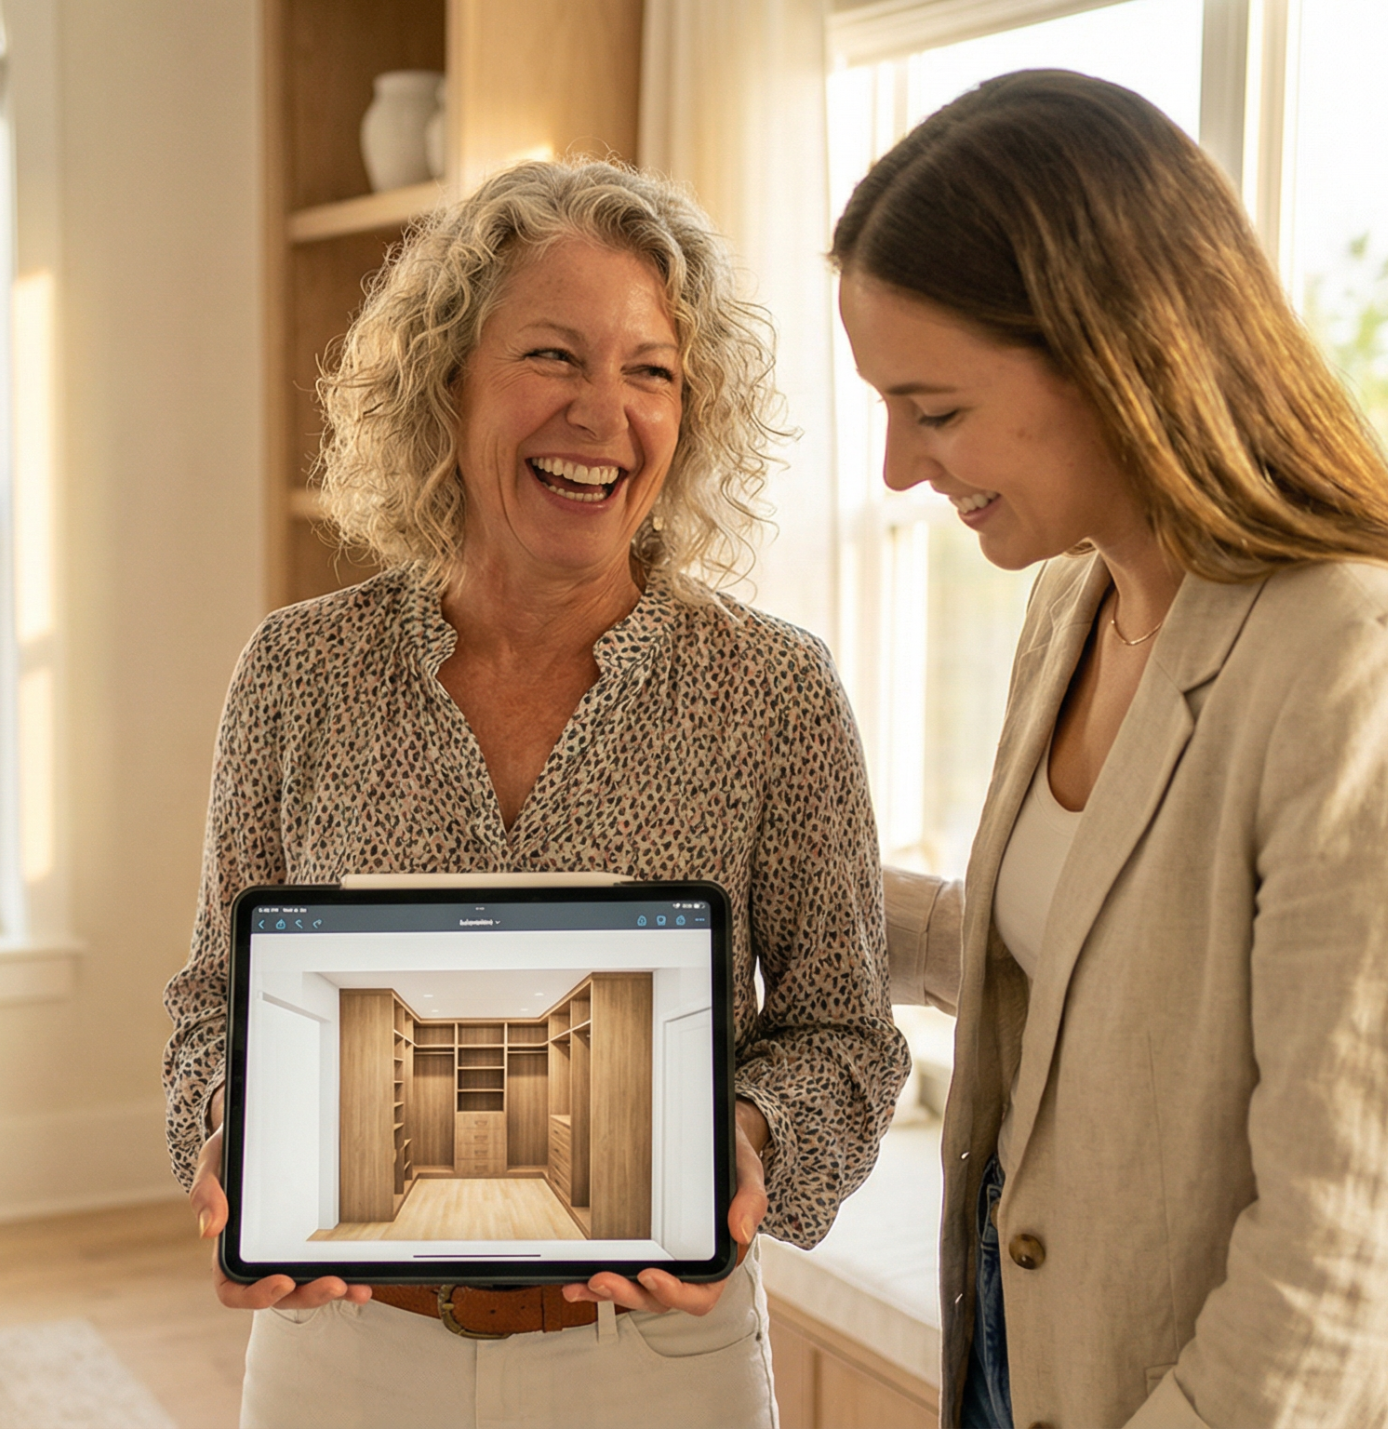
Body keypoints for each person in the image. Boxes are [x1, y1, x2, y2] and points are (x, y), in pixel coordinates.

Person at [837, 72, 1388, 1429]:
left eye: (934, 409)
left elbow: (1347, 1275)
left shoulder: (1369, 665)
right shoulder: (1073, 608)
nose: (897, 467)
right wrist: (786, 901)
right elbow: (1099, 981)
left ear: (1106, 354)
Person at [162, 157, 909, 1428]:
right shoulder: (295, 670)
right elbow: (206, 1006)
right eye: (553, 357)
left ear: (693, 413)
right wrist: (229, 1125)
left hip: (660, 1366)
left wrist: (746, 1143)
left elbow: (846, 1037)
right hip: (341, 1354)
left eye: (650, 371)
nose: (602, 412)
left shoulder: (774, 693)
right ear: (445, 384)